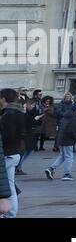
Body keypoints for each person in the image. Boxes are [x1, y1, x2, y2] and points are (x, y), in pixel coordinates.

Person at [1, 89, 26, 217]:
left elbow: (7, 135)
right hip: (15, 151)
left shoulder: (8, 114)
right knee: (9, 184)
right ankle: (11, 213)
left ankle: (8, 213)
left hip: (7, 152)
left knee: (6, 185)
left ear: (3, 99)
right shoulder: (18, 111)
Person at [46, 92, 76, 181]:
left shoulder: (66, 116)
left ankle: (51, 168)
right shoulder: (73, 117)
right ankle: (67, 174)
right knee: (69, 156)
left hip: (61, 138)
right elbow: (72, 130)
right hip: (68, 139)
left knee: (63, 155)